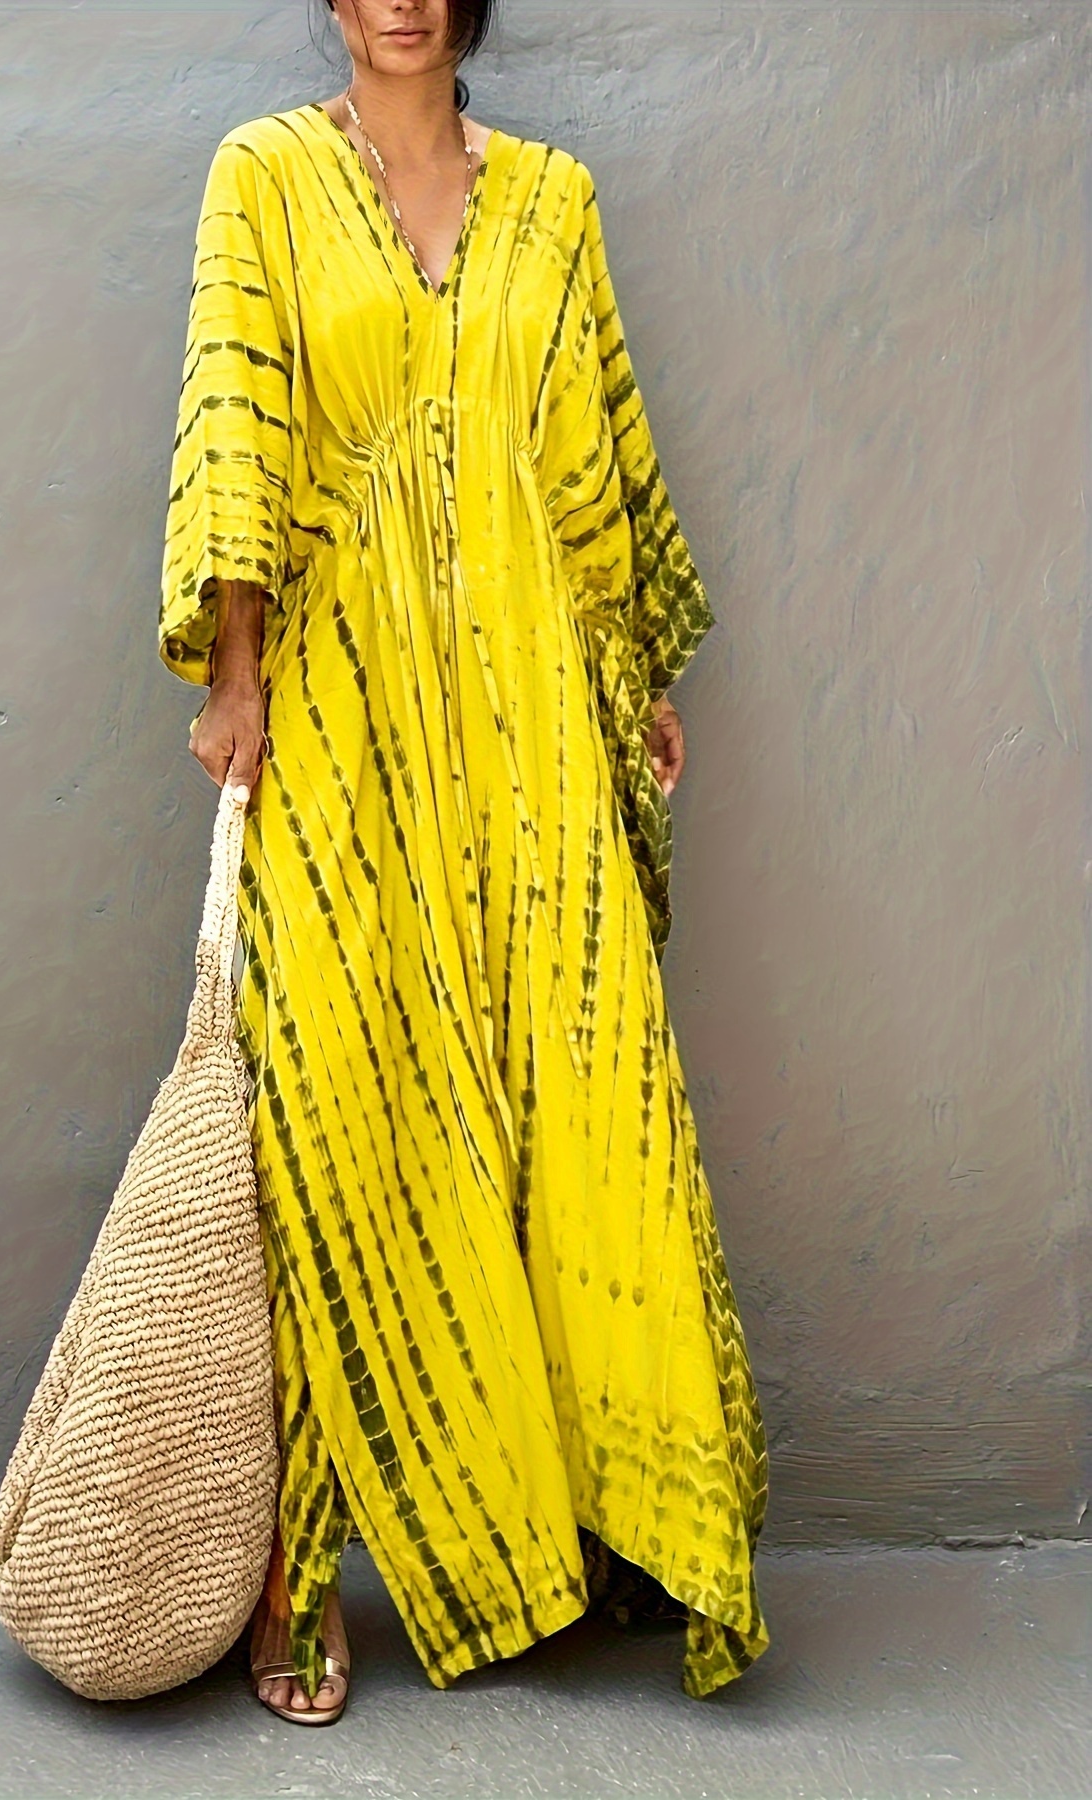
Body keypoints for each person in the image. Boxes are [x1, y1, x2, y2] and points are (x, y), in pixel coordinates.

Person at [159, 0, 769, 1727]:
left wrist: (629, 672)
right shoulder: (264, 177)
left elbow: (586, 460)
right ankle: (298, 1571)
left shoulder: (556, 202)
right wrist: (236, 672)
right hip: (346, 723)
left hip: (530, 726)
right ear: (334, 4)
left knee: (570, 1105)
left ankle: (588, 1534)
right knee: (337, 1119)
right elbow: (236, 433)